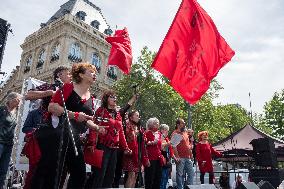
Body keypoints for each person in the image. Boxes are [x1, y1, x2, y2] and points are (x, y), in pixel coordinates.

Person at [34, 63, 100, 189]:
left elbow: (85, 119)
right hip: (57, 136)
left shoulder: (90, 97)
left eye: (95, 72)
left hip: (74, 140)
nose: (94, 74)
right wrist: (74, 115)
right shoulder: (68, 87)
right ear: (80, 74)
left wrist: (97, 128)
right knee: (51, 175)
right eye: (91, 71)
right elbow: (52, 107)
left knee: (80, 175)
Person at [26, 66, 71, 189]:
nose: (70, 76)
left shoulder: (72, 92)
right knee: (41, 168)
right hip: (47, 131)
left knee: (60, 170)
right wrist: (49, 93)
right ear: (59, 76)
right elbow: (28, 94)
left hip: (64, 133)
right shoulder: (50, 86)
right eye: (68, 74)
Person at [86, 90, 131, 188]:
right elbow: (93, 128)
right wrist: (92, 144)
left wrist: (126, 147)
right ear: (106, 99)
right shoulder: (100, 111)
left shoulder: (118, 114)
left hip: (114, 148)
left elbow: (121, 132)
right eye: (112, 97)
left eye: (115, 97)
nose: (115, 98)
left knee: (110, 176)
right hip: (102, 146)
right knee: (99, 175)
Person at [112, 95, 138, 188]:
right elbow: (125, 108)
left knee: (118, 172)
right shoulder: (113, 115)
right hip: (112, 146)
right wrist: (133, 99)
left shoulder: (121, 120)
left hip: (121, 149)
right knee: (112, 172)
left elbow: (123, 136)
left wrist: (126, 148)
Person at [0, 92, 22, 189]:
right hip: (0, 142)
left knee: (3, 171)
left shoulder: (16, 113)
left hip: (8, 145)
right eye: (18, 99)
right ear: (11, 100)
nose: (20, 102)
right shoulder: (1, 110)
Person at [171, 118, 194, 189]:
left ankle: (188, 187)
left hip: (188, 157)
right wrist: (177, 157)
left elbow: (188, 145)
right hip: (180, 157)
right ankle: (180, 187)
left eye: (184, 123)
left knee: (191, 173)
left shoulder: (185, 133)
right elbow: (173, 146)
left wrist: (191, 155)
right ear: (178, 124)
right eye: (182, 123)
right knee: (180, 174)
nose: (184, 124)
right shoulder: (175, 133)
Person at [122, 110, 141, 188]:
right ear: (131, 117)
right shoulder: (127, 124)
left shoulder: (136, 126)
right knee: (131, 174)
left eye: (138, 116)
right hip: (130, 152)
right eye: (136, 115)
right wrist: (135, 133)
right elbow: (128, 138)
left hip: (136, 153)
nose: (138, 117)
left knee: (135, 175)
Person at [143, 117, 164, 189]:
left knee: (158, 178)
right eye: (155, 123)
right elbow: (144, 145)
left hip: (158, 158)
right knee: (149, 178)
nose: (157, 124)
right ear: (151, 124)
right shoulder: (146, 133)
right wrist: (151, 143)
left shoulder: (159, 133)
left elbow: (160, 146)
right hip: (150, 157)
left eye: (158, 123)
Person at [160, 124, 174, 189]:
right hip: (162, 160)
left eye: (168, 131)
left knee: (166, 177)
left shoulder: (166, 138)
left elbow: (169, 149)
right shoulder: (159, 137)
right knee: (162, 177)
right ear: (162, 130)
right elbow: (161, 147)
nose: (167, 132)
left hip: (167, 159)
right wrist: (168, 144)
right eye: (166, 131)